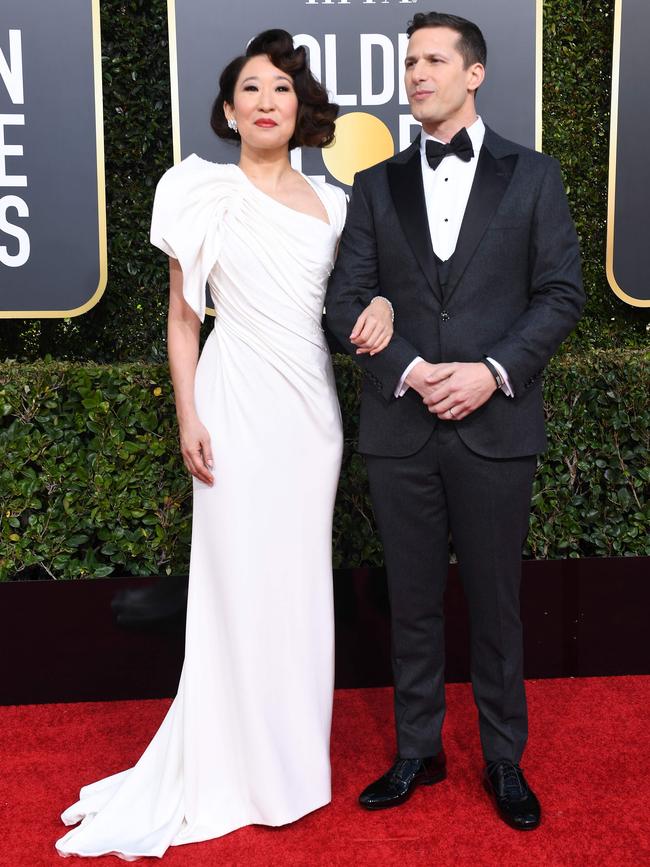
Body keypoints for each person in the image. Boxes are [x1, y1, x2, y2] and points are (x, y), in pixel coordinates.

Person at [56, 29, 393, 859]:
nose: (266, 101)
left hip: (311, 415)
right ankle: (234, 765)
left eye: (280, 88)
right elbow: (182, 319)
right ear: (230, 108)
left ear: (300, 106)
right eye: (251, 88)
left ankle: (290, 764)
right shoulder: (198, 191)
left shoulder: (340, 205)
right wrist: (187, 415)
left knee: (299, 584)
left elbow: (357, 306)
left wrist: (382, 309)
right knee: (238, 583)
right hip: (234, 403)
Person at [325, 12, 584, 831]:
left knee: (496, 601)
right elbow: (344, 300)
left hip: (496, 421)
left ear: (474, 74)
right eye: (409, 62)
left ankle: (504, 758)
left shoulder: (534, 176)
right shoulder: (375, 184)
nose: (416, 74)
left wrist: (490, 372)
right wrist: (402, 364)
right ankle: (417, 750)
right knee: (411, 600)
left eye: (434, 60)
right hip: (400, 423)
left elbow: (561, 295)